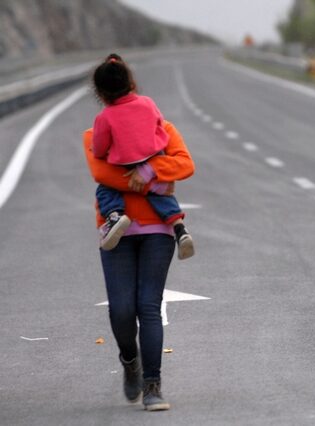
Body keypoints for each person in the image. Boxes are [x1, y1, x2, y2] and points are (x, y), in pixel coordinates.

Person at [84, 115, 195, 411]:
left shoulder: (164, 130)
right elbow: (102, 172)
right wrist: (155, 180)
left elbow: (184, 164)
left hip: (158, 232)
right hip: (115, 233)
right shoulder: (94, 135)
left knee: (148, 307)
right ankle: (130, 360)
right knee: (121, 310)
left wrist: (147, 170)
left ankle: (152, 386)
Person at [91, 53, 194, 259]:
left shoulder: (104, 117)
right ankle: (179, 227)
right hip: (152, 156)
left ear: (101, 94)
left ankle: (115, 216)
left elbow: (100, 149)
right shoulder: (148, 103)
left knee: (106, 189)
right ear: (132, 84)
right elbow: (159, 126)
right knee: (161, 195)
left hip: (126, 163)